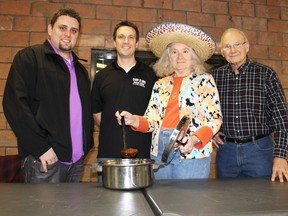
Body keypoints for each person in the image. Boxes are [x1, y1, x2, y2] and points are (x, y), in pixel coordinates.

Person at [115, 22, 222, 179]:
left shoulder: (204, 81)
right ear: (168, 57)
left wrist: (194, 139)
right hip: (159, 151)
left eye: (185, 51)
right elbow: (151, 121)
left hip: (192, 152)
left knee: (189, 202)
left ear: (193, 56)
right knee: (162, 200)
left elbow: (215, 119)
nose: (179, 57)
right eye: (174, 52)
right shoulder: (160, 84)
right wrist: (133, 120)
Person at [2, 8, 94, 183]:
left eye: (74, 30)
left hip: (76, 163)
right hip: (45, 162)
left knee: (73, 211)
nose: (68, 34)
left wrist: (85, 146)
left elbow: (84, 112)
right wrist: (41, 148)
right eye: (62, 28)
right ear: (50, 29)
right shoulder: (29, 58)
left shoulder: (81, 71)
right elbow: (14, 105)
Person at [211, 28, 288, 182]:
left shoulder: (266, 74)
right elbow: (205, 112)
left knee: (263, 201)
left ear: (247, 46)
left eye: (237, 44)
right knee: (227, 202)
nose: (232, 50)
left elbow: (281, 118)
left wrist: (281, 155)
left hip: (259, 150)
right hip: (227, 152)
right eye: (227, 46)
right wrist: (211, 131)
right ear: (222, 51)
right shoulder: (214, 77)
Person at [91, 21, 158, 160]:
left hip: (142, 155)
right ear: (114, 42)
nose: (126, 41)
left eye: (131, 37)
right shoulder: (101, 76)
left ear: (137, 43)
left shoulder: (151, 75)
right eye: (121, 37)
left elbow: (156, 114)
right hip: (108, 154)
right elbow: (96, 113)